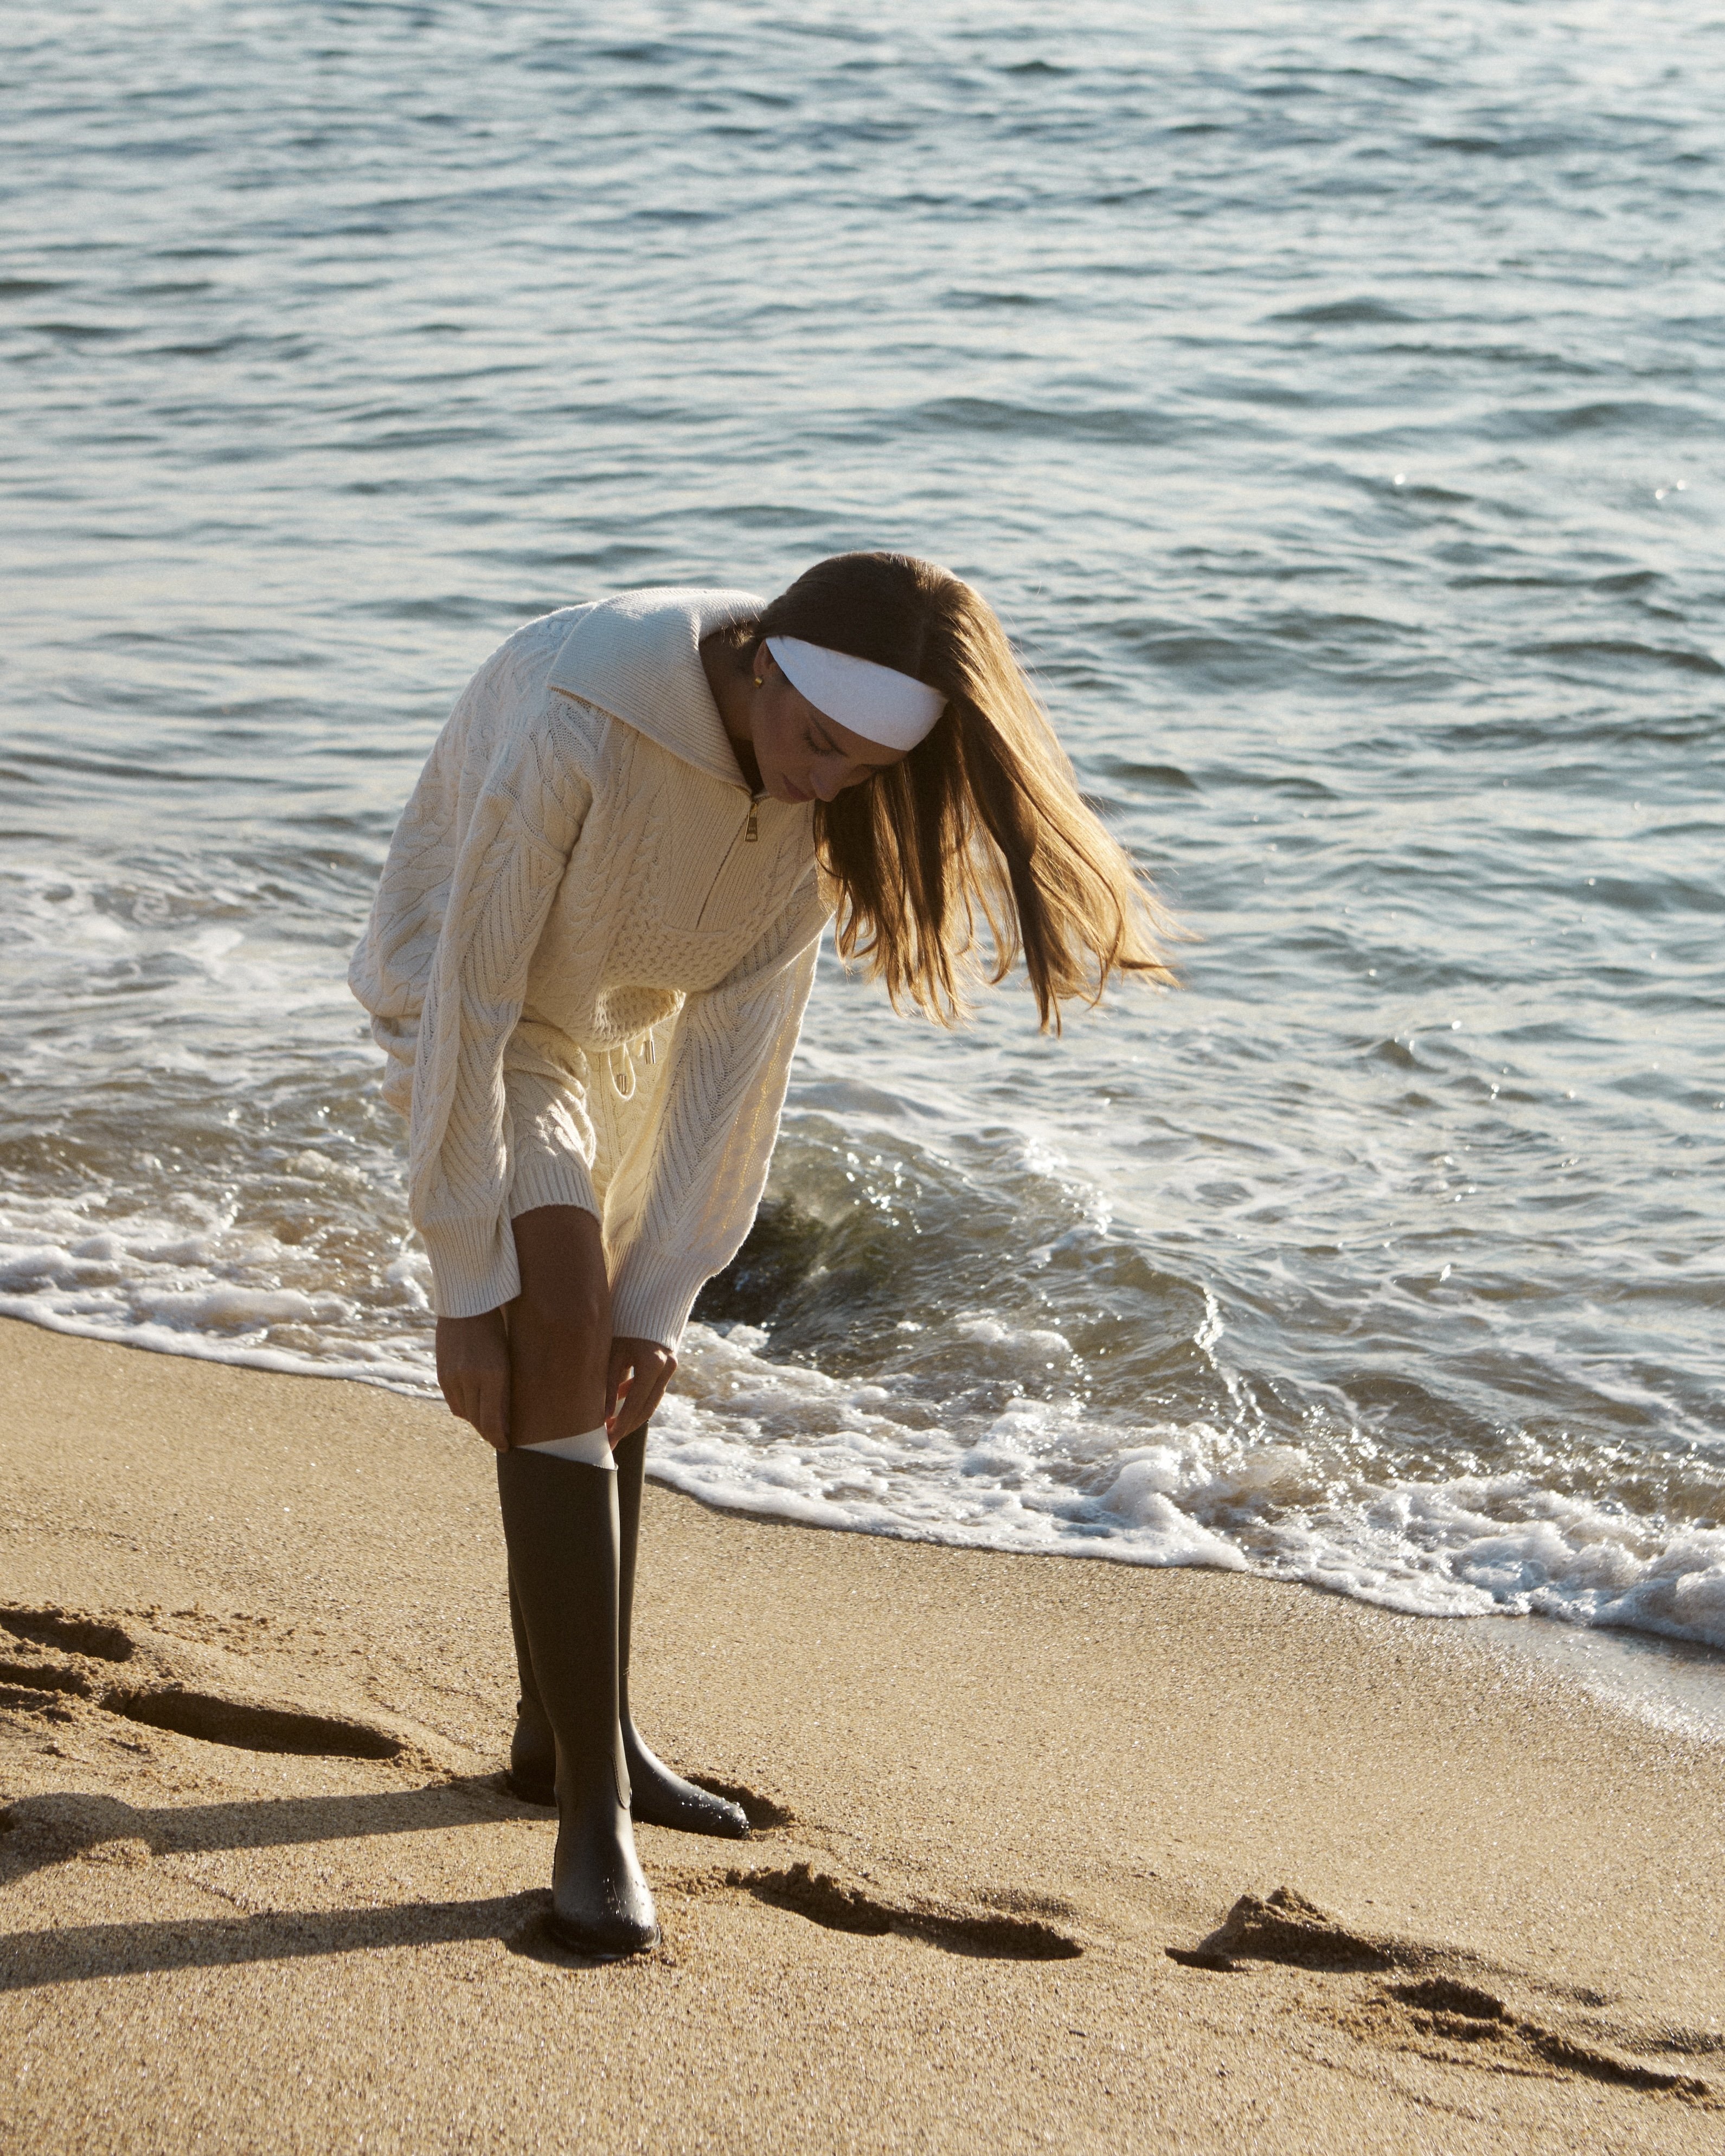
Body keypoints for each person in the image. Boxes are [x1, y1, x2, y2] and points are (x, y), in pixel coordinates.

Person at [349, 552, 1172, 1957]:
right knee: (552, 1296)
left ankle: (574, 1733)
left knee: (612, 1345)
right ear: (761, 665)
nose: (826, 783)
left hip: (625, 1017)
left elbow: (738, 1061)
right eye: (816, 744)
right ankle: (591, 1822)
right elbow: (478, 990)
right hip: (473, 1007)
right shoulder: (586, 708)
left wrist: (666, 1297)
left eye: (861, 771)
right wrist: (460, 1281)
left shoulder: (823, 812)